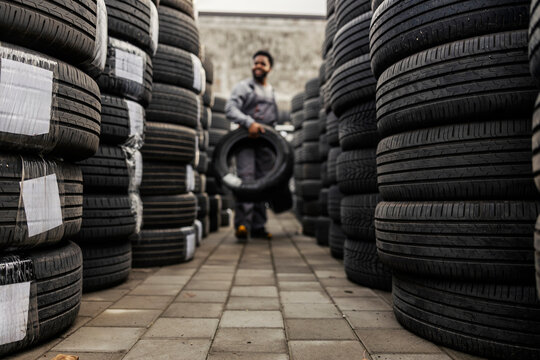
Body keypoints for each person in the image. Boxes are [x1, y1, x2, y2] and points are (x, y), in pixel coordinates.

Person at [225, 50, 279, 242]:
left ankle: (258, 226)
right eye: (255, 63)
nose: (257, 66)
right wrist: (249, 123)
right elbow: (230, 109)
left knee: (263, 183)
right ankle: (242, 225)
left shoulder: (271, 91)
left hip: (265, 145)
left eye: (262, 63)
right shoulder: (244, 87)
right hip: (246, 142)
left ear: (269, 68)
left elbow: (274, 120)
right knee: (247, 181)